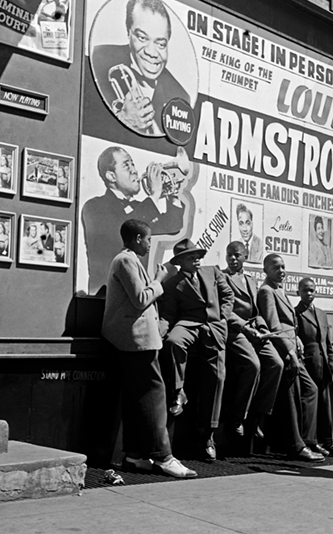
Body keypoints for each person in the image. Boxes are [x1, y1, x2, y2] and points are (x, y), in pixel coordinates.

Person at [102, 220, 197, 479]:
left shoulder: (128, 259)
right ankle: (164, 457)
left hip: (138, 341)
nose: (149, 243)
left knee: (137, 399)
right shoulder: (125, 261)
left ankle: (134, 456)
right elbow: (140, 298)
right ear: (136, 238)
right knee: (154, 397)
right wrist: (159, 280)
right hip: (137, 341)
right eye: (147, 239)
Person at [159, 239, 234, 462]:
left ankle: (209, 436)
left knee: (217, 376)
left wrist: (223, 318)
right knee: (173, 342)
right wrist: (159, 330)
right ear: (181, 262)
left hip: (213, 326)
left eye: (199, 256)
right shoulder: (172, 284)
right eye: (192, 257)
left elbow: (228, 296)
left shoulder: (213, 272)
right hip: (189, 322)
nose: (197, 259)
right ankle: (179, 392)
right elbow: (169, 314)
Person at [81, 146, 185, 295]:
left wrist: (173, 194)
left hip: (137, 291)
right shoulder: (94, 206)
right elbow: (123, 229)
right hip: (107, 294)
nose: (134, 170)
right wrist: (154, 194)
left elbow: (172, 225)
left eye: (133, 164)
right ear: (111, 176)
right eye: (126, 165)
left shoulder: (139, 207)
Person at [91, 0, 190, 135]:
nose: (152, 52)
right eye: (142, 38)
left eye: (161, 44)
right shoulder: (98, 58)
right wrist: (122, 119)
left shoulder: (180, 97)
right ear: (128, 32)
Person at [257, 254, 324, 462]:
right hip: (283, 352)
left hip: (293, 349)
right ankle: (296, 446)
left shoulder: (279, 290)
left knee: (310, 389)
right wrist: (290, 352)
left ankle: (307, 440)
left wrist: (298, 340)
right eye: (276, 267)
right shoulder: (266, 291)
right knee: (291, 399)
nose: (281, 271)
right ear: (265, 271)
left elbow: (289, 324)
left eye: (283, 266)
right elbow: (274, 326)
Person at [222, 241, 283, 449]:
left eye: (237, 255)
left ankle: (256, 416)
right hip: (235, 331)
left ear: (245, 256)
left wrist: (263, 329)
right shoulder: (222, 278)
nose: (232, 259)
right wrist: (246, 329)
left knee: (276, 364)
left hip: (254, 331)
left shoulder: (250, 280)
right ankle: (237, 417)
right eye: (229, 255)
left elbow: (256, 313)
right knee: (253, 365)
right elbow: (225, 312)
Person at [295, 278, 333, 459]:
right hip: (308, 366)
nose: (309, 294)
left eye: (311, 290)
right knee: (311, 406)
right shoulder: (296, 314)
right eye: (305, 290)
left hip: (323, 366)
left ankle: (329, 442)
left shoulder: (322, 314)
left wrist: (331, 367)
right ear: (298, 292)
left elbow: (327, 342)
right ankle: (311, 442)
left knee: (325, 407)